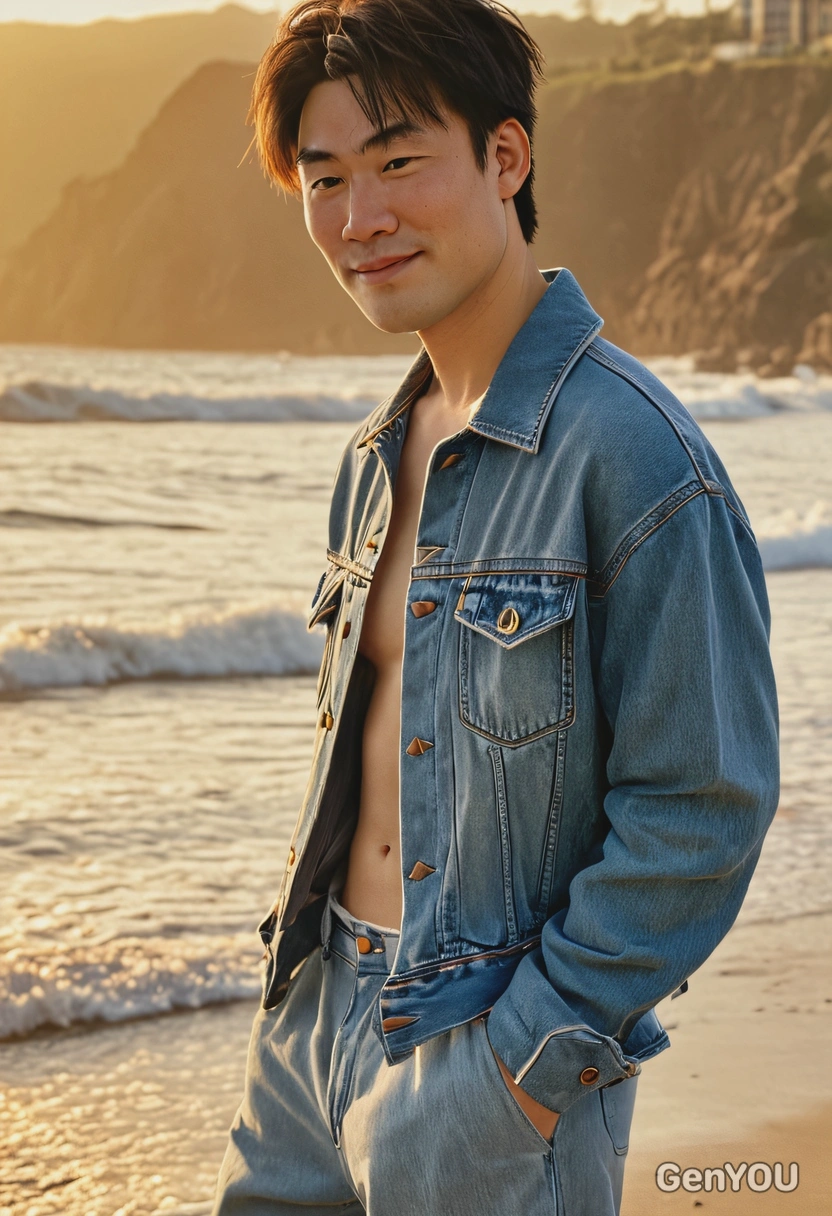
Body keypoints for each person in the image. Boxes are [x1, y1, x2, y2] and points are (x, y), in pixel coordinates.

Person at [212, 2, 779, 1213]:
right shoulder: (375, 455)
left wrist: (517, 1069)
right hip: (308, 1031)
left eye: (399, 161)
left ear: (505, 157)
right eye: (325, 180)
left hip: (484, 1059)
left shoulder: (635, 456)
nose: (359, 218)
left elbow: (704, 807)